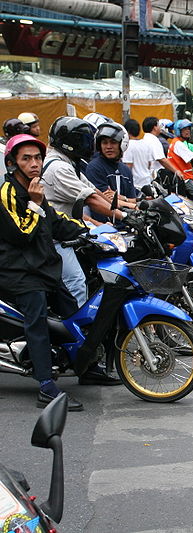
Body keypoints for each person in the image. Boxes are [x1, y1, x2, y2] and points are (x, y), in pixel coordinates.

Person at [1, 134, 119, 411]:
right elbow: (21, 234)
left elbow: (60, 221)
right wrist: (33, 203)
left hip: (43, 269)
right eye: (26, 158)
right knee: (38, 323)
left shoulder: (37, 190)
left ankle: (85, 367)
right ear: (12, 163)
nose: (34, 163)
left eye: (37, 158)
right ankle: (45, 385)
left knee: (74, 315)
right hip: (18, 273)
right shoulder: (8, 193)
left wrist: (100, 233)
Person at [41, 117, 126, 306]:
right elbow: (90, 199)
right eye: (83, 140)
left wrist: (123, 208)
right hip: (55, 238)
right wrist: (124, 216)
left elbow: (93, 190)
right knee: (76, 282)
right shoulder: (58, 168)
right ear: (70, 142)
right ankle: (77, 330)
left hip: (69, 230)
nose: (88, 145)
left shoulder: (69, 163)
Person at [84, 122, 137, 222]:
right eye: (104, 142)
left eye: (113, 142)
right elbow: (104, 200)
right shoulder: (95, 167)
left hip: (128, 223)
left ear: (122, 144)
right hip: (105, 226)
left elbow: (133, 199)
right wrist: (131, 205)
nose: (108, 146)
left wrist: (122, 198)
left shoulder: (125, 170)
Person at [123, 117, 179, 192]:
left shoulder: (131, 145)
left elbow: (128, 167)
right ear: (155, 127)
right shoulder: (147, 143)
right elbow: (152, 163)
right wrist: (177, 171)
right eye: (159, 125)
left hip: (136, 183)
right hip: (147, 181)